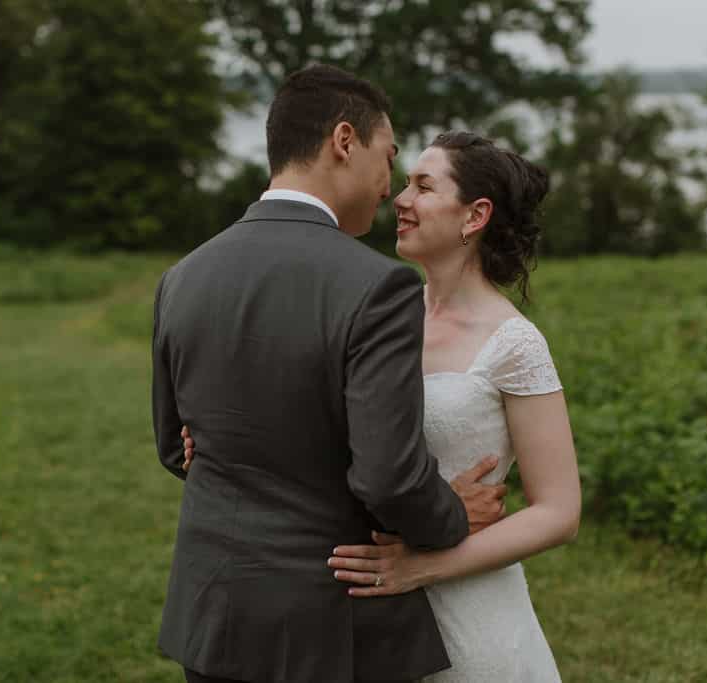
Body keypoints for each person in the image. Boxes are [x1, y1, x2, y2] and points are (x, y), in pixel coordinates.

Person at [152, 65, 506, 683]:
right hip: (327, 631)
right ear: (345, 141)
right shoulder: (377, 286)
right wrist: (451, 511)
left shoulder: (182, 276)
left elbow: (174, 445)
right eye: (388, 157)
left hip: (212, 620)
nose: (390, 187)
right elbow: (387, 477)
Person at [324, 132, 581, 681]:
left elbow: (559, 512)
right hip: (371, 613)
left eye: (423, 187)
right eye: (406, 184)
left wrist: (425, 567)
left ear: (475, 215)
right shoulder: (383, 318)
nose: (400, 199)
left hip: (471, 617)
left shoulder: (515, 343)